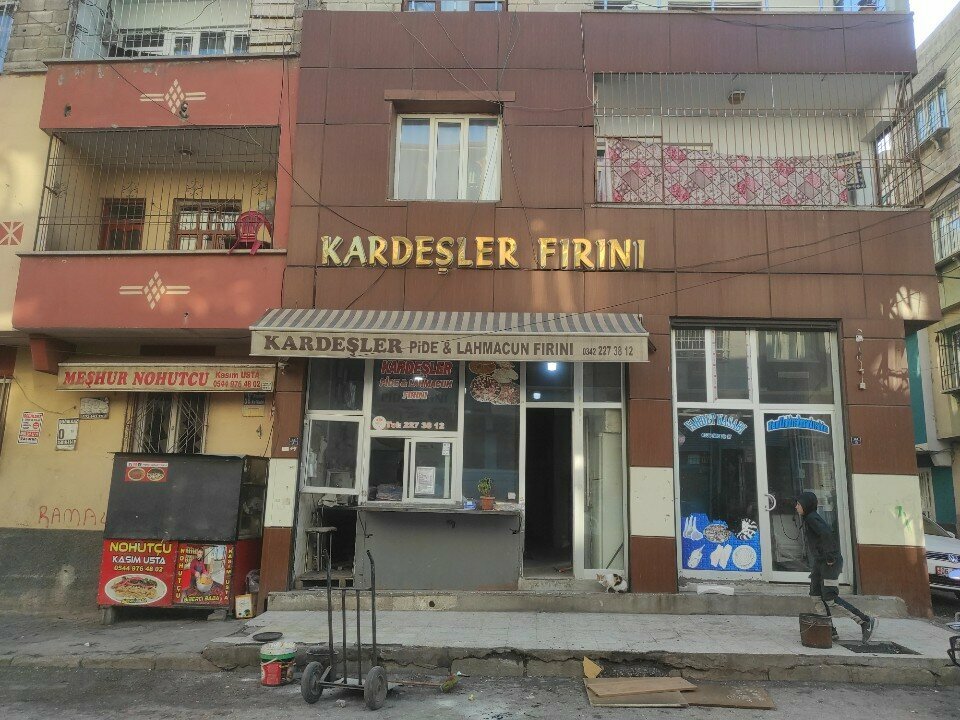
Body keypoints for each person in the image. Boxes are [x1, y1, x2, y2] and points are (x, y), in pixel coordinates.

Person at [796, 490, 877, 643]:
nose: (796, 507)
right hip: (820, 563)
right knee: (816, 596)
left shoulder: (813, 518)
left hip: (829, 563)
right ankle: (829, 630)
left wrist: (830, 557)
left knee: (830, 598)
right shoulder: (809, 519)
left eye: (799, 504)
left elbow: (826, 534)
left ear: (805, 505)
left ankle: (865, 621)